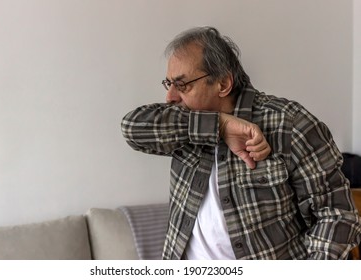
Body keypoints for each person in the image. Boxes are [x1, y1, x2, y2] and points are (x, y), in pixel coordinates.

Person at [121, 26, 361, 260]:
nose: (170, 96)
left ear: (223, 84)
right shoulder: (181, 122)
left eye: (182, 85)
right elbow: (132, 128)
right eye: (169, 83)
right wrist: (221, 126)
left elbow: (337, 215)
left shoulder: (290, 123)